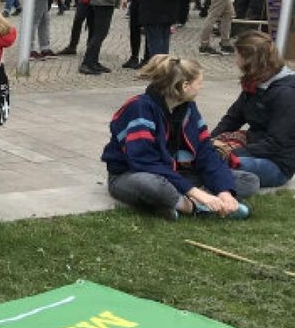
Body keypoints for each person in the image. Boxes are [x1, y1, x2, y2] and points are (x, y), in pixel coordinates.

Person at [102, 55, 258, 220]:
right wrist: (197, 193)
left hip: (177, 173)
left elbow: (206, 152)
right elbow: (144, 163)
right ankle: (194, 207)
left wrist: (225, 192)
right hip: (133, 174)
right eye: (199, 83)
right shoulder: (139, 107)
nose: (201, 87)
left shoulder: (188, 108)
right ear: (185, 86)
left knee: (249, 181)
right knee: (156, 187)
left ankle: (179, 203)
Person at [210, 31, 295, 188]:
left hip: (276, 163)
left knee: (223, 163)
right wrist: (208, 142)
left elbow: (277, 144)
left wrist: (231, 153)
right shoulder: (255, 82)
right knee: (208, 155)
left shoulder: (286, 93)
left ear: (250, 60)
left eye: (237, 56)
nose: (235, 61)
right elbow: (232, 118)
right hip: (253, 145)